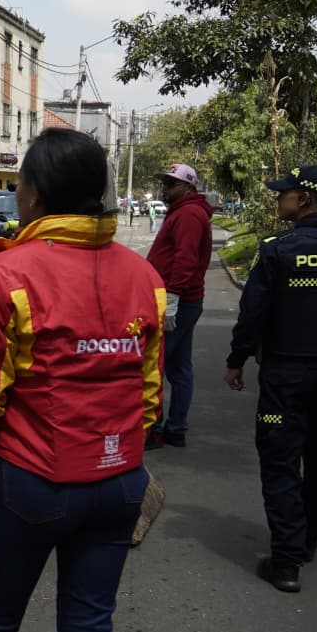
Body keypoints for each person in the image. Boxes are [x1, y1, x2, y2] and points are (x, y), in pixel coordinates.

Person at [0, 128, 164, 632]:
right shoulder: (145, 277)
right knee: (90, 623)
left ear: (32, 193)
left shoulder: (5, 274)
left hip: (34, 483)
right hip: (120, 483)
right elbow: (148, 391)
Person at [223, 165, 317, 593]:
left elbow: (253, 313)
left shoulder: (277, 250)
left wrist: (237, 360)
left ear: (304, 199)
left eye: (283, 193)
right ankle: (307, 540)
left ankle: (286, 563)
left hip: (285, 378)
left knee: (280, 462)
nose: (279, 199)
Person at [145, 163, 213, 449]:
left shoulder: (188, 214)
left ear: (188, 186)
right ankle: (175, 428)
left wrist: (172, 296)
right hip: (183, 298)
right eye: (165, 183)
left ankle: (155, 429)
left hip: (178, 300)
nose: (165, 188)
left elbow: (185, 258)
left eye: (171, 184)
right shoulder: (185, 211)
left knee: (155, 365)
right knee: (179, 367)